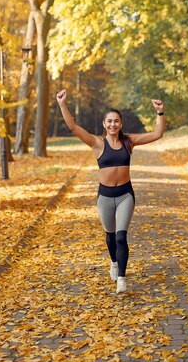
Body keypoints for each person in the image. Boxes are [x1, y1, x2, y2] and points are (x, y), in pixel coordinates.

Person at [56, 89, 165, 293]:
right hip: (105, 197)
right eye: (110, 121)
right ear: (105, 125)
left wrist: (159, 112)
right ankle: (114, 262)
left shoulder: (128, 141)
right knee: (110, 235)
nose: (113, 124)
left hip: (125, 195)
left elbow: (157, 134)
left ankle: (122, 279)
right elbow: (72, 126)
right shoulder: (97, 143)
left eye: (116, 121)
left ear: (120, 124)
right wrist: (62, 104)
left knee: (121, 237)